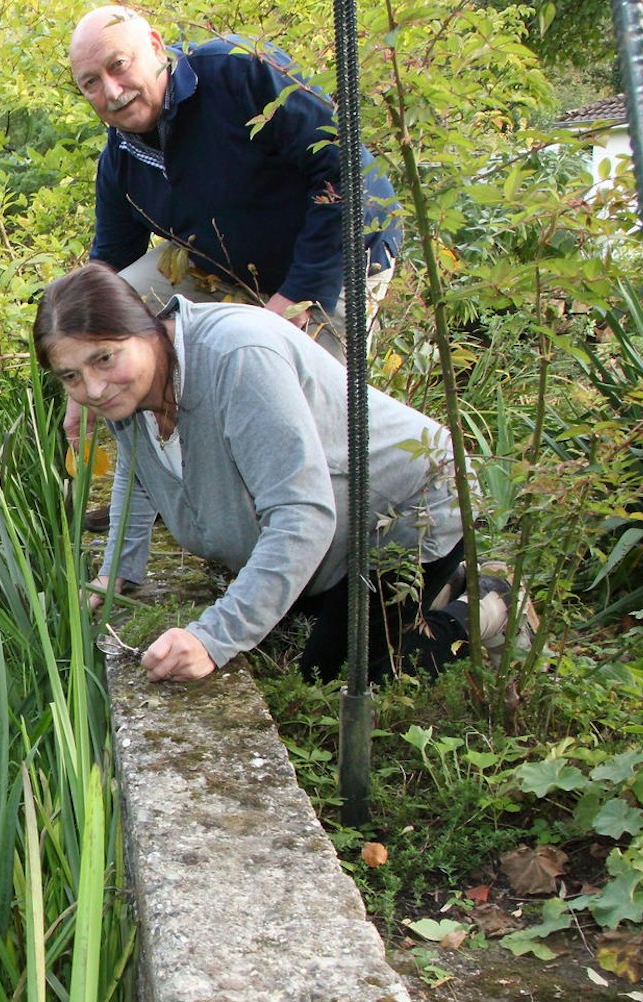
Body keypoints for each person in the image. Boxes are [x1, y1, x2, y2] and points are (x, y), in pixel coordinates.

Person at [34, 264, 522, 683]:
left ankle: (489, 609)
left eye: (104, 358)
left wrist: (211, 638)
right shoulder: (132, 389)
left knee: (336, 681)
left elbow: (301, 514)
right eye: (71, 376)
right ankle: (443, 584)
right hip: (340, 525)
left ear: (145, 326)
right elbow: (137, 474)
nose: (93, 389)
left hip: (407, 511)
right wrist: (118, 568)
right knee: (295, 616)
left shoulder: (237, 357)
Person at [69, 5, 401, 365]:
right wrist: (81, 357)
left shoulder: (240, 70)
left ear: (154, 46)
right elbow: (112, 261)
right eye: (91, 82)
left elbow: (346, 172)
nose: (113, 91)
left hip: (340, 257)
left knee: (304, 393)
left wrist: (298, 294)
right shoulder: (119, 159)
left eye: (118, 65)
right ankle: (159, 415)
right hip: (228, 273)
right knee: (120, 305)